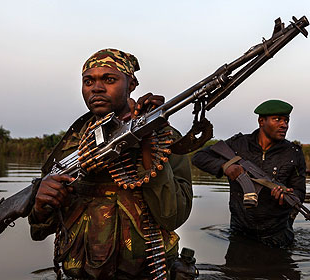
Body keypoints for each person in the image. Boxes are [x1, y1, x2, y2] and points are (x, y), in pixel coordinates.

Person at [28, 49, 193, 279]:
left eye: (109, 79)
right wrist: (40, 206)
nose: (96, 87)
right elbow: (39, 231)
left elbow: (172, 217)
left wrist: (148, 145)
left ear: (131, 84)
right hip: (79, 272)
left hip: (147, 272)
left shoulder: (163, 139)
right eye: (88, 81)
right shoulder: (71, 146)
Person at [192, 99, 306, 248]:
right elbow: (199, 157)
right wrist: (225, 167)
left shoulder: (293, 153)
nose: (284, 125)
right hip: (239, 232)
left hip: (277, 235)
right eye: (277, 119)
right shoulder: (238, 145)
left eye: (286, 120)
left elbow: (299, 192)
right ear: (261, 121)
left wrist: (285, 198)